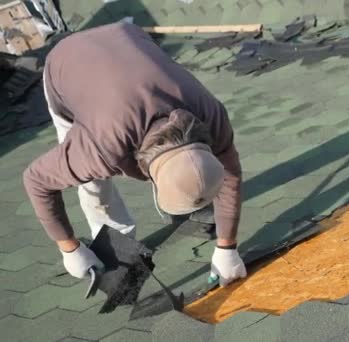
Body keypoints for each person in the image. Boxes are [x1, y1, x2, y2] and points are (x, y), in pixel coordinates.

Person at [22, 21, 246, 287]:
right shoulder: (98, 149)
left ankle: (188, 194)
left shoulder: (211, 115)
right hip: (66, 64)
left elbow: (230, 176)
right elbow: (35, 180)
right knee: (93, 184)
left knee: (190, 180)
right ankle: (116, 244)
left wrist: (227, 247)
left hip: (126, 37)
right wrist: (69, 247)